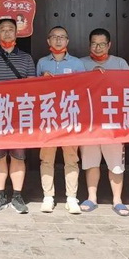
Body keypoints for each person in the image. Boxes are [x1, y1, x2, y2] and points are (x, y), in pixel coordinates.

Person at [0, 18, 36, 214]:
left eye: (10, 29)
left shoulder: (27, 59)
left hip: (19, 114)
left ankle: (17, 196)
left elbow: (32, 88)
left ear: (16, 33)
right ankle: (0, 195)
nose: (7, 33)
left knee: (18, 156)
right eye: (3, 29)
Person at [79, 28, 129, 217]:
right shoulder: (81, 63)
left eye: (102, 44)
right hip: (89, 122)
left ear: (109, 45)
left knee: (116, 163)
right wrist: (89, 76)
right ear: (89, 45)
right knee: (91, 161)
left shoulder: (120, 63)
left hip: (113, 122)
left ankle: (117, 200)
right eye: (94, 43)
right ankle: (91, 197)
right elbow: (74, 89)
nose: (98, 47)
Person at [36, 26, 87, 214]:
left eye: (62, 37)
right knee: (46, 159)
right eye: (54, 37)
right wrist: (42, 79)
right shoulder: (42, 63)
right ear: (48, 41)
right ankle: (48, 196)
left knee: (71, 159)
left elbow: (84, 88)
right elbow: (34, 90)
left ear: (67, 41)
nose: (58, 40)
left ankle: (71, 197)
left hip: (69, 117)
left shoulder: (77, 63)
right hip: (48, 116)